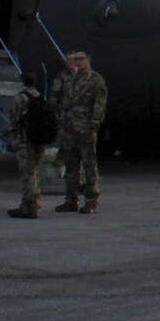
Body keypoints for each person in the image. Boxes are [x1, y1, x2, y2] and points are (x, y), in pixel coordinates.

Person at [51, 49, 108, 214]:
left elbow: (99, 106)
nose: (77, 62)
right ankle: (71, 200)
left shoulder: (96, 80)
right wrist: (61, 123)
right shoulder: (71, 79)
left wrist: (93, 127)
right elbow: (63, 103)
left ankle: (91, 201)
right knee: (71, 167)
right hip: (69, 130)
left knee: (89, 166)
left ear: (88, 60)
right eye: (75, 59)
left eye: (80, 59)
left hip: (85, 130)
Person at [7, 67, 58, 219]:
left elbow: (14, 120)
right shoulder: (40, 97)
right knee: (34, 173)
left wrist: (12, 138)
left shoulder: (20, 98)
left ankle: (30, 206)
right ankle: (30, 204)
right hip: (39, 141)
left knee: (27, 175)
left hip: (25, 141)